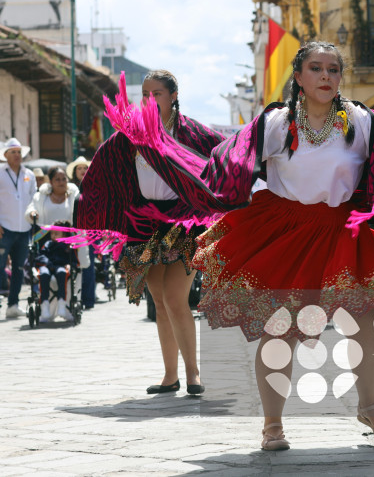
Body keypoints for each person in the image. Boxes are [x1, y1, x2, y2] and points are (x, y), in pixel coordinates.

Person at [103, 42, 374, 450]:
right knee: (281, 328)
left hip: (343, 230)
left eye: (333, 69)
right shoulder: (276, 122)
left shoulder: (362, 121)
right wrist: (181, 163)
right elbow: (227, 161)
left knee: (366, 321)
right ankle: (273, 424)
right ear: (298, 76)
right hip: (286, 231)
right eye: (316, 68)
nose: (326, 76)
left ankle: (369, 407)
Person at [75, 69, 225, 396]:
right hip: (145, 225)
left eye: (156, 93)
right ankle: (170, 376)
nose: (149, 100)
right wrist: (86, 205)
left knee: (175, 297)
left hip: (183, 225)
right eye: (144, 94)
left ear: (173, 95)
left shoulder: (194, 133)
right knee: (158, 300)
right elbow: (105, 168)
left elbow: (226, 161)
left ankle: (192, 374)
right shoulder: (130, 136)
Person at [26, 166, 82, 321]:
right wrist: (32, 213)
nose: (61, 182)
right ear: (50, 182)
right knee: (44, 274)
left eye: (64, 178)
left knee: (66, 273)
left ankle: (66, 307)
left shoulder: (73, 195)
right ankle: (46, 310)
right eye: (57, 179)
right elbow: (31, 207)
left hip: (67, 242)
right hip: (45, 238)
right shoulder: (41, 197)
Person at [0, 138, 37, 318]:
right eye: (13, 152)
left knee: (19, 269)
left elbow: (34, 199)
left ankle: (13, 305)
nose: (17, 155)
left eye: (19, 152)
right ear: (5, 155)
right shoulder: (0, 172)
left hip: (24, 229)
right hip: (3, 228)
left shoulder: (28, 174)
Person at [67, 156, 97, 308]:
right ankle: (74, 297)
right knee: (73, 264)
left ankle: (89, 299)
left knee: (89, 265)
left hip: (91, 230)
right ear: (74, 171)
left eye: (85, 168)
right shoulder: (69, 188)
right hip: (72, 231)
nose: (83, 171)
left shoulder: (96, 186)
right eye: (79, 168)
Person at [34, 220, 79, 322]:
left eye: (56, 234)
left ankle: (61, 303)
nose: (53, 236)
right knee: (44, 274)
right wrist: (48, 263)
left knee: (62, 273)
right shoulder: (47, 243)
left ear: (63, 234)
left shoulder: (68, 245)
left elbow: (72, 259)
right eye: (52, 233)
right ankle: (44, 305)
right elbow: (41, 255)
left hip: (60, 266)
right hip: (47, 265)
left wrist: (70, 265)